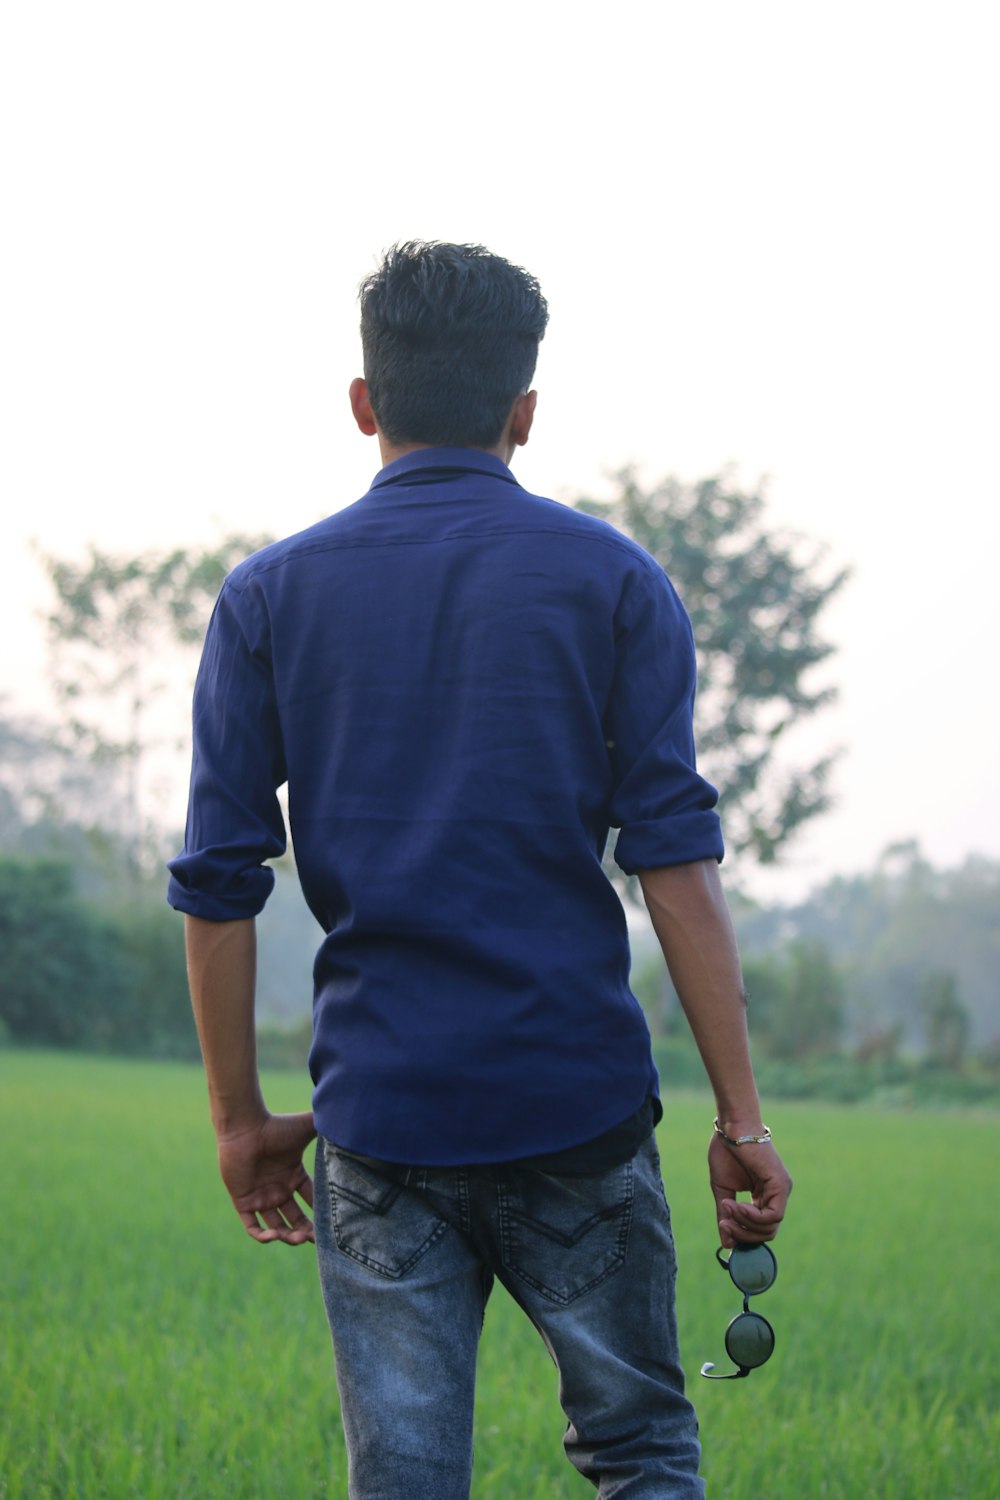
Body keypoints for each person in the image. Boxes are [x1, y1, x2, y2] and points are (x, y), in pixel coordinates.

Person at [168, 240, 791, 1499]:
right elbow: (674, 856)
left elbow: (220, 882)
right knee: (643, 1456)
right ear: (525, 412)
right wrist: (740, 1119)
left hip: (379, 1119)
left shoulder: (266, 599)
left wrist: (241, 1123)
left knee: (401, 1481)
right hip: (576, 1106)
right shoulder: (615, 581)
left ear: (363, 404)